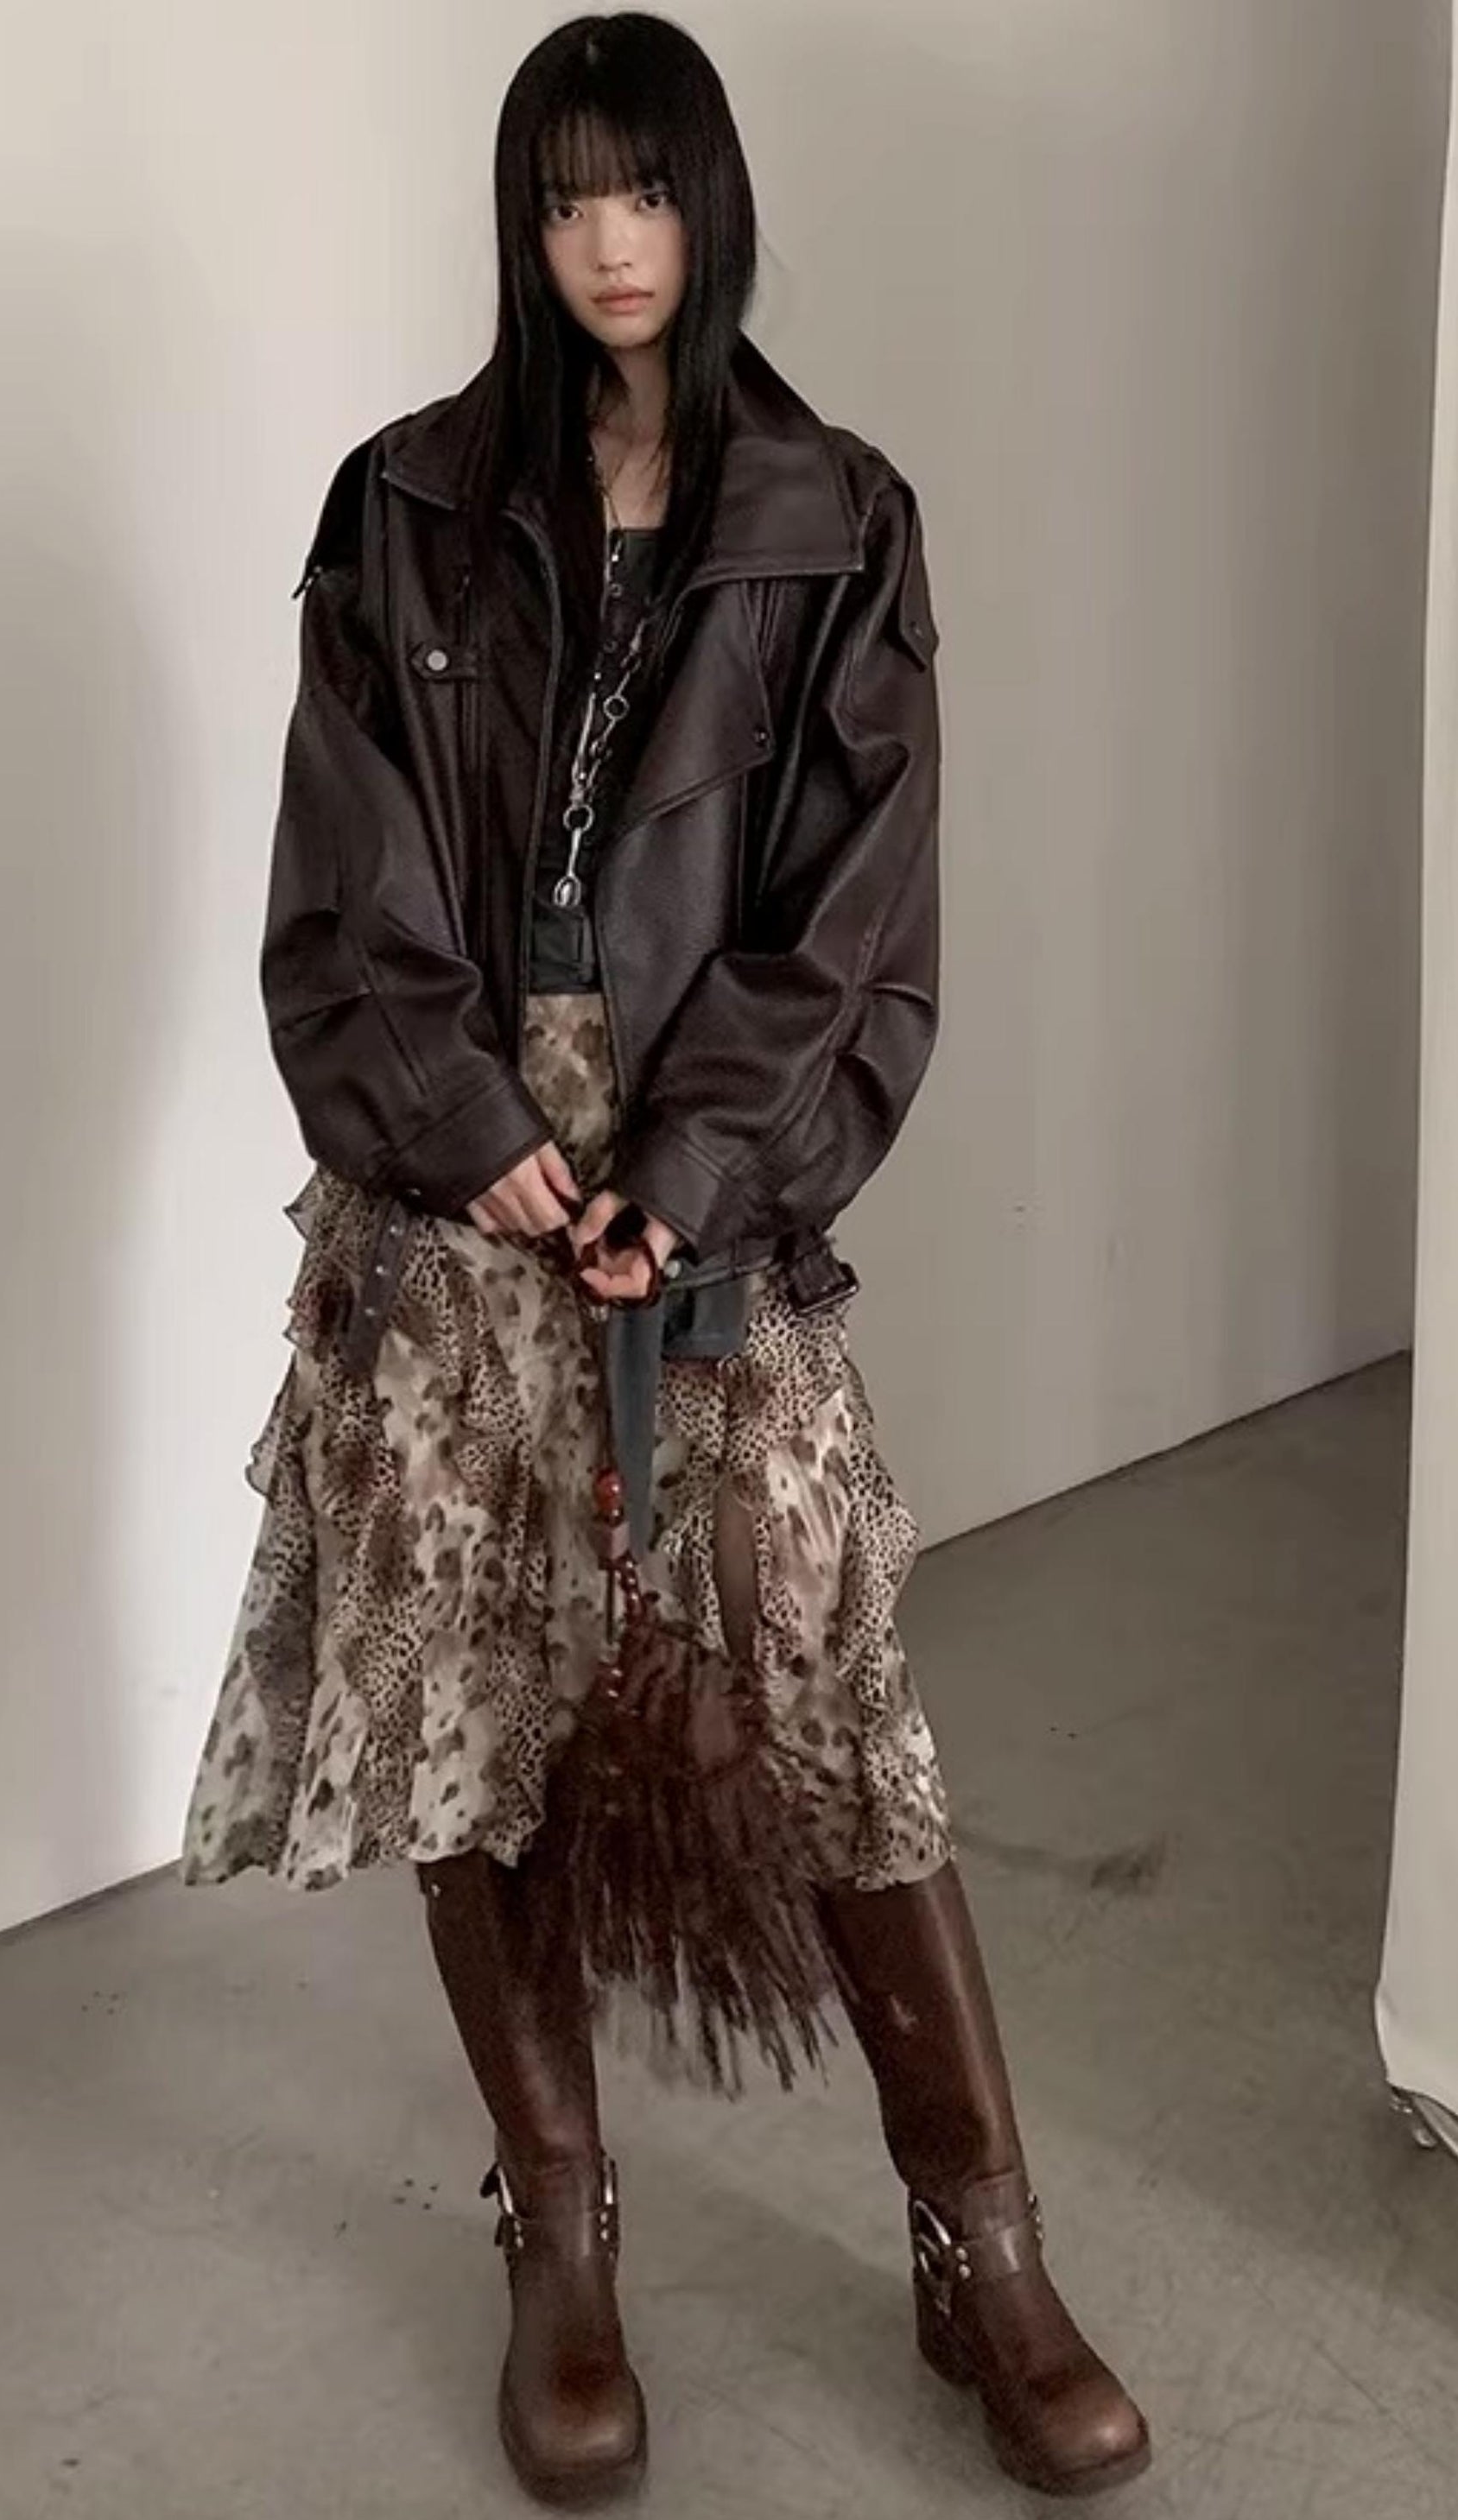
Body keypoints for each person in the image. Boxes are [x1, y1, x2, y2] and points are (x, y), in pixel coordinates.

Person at [181, 9, 1150, 2505]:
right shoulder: (403, 502)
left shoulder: (837, 517)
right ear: (520, 227)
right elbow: (341, 869)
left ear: (712, 205)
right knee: (477, 1703)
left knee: (821, 1683)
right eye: (563, 197)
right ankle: (562, 2242)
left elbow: (860, 909)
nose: (609, 243)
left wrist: (698, 1170)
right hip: (453, 1190)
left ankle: (981, 2250)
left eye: (646, 189)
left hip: (711, 1185)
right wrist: (463, 1125)